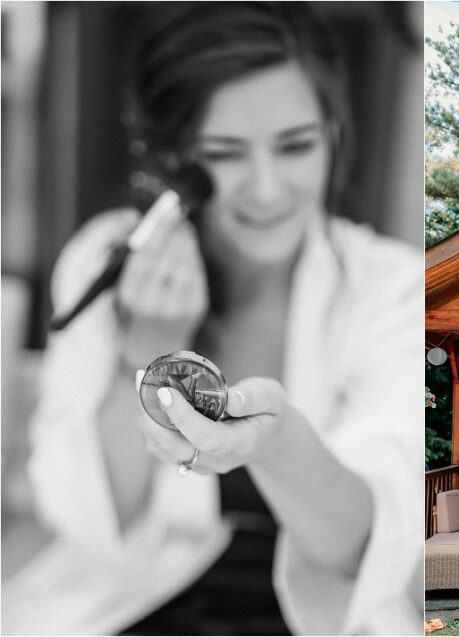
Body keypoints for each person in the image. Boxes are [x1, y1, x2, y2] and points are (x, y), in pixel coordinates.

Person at [5, 4, 421, 635]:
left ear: (335, 133)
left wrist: (278, 444)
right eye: (225, 154)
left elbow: (363, 549)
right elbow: (92, 524)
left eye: (297, 146)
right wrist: (145, 351)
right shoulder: (106, 260)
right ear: (171, 158)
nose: (267, 188)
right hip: (140, 603)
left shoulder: (390, 287)